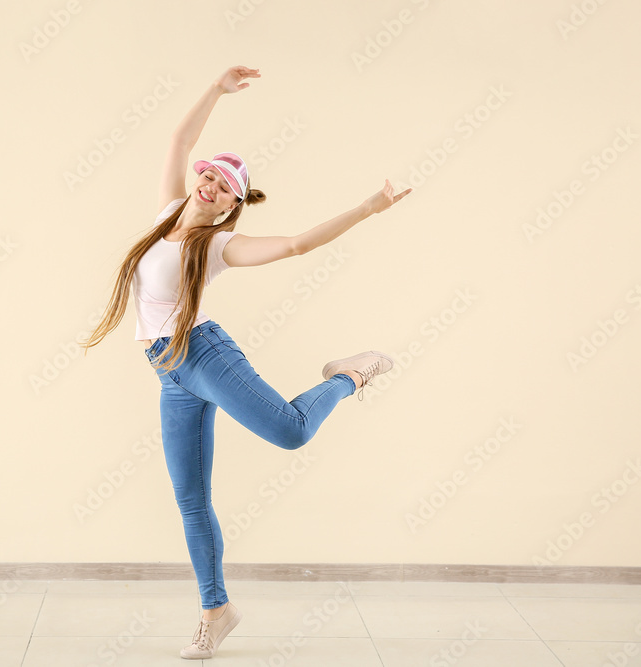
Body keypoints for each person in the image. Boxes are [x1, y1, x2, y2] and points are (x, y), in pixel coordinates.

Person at [82, 65, 411, 660]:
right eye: (206, 173)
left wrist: (368, 207)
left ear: (233, 204)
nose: (207, 182)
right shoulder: (165, 218)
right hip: (171, 373)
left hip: (204, 355)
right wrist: (215, 89)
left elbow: (294, 246)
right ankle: (216, 610)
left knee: (291, 430)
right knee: (190, 499)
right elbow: (179, 143)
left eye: (222, 185)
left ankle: (352, 371)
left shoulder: (217, 245)